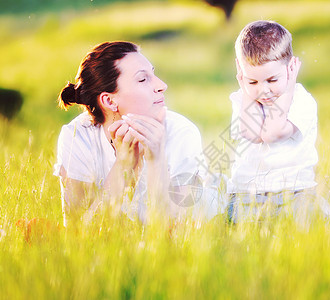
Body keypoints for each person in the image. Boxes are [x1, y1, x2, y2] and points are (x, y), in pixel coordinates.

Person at [54, 41, 212, 227]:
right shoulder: (78, 137)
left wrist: (156, 159)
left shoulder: (182, 133)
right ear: (109, 101)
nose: (162, 85)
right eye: (143, 79)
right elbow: (77, 234)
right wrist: (123, 165)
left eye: (153, 74)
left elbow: (174, 232)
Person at [227, 20, 330, 226]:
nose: (263, 90)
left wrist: (288, 88)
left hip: (295, 191)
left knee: (316, 219)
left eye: (272, 80)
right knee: (235, 221)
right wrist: (245, 87)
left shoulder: (302, 101)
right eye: (252, 81)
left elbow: (271, 133)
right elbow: (251, 132)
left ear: (290, 69)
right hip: (248, 193)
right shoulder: (242, 99)